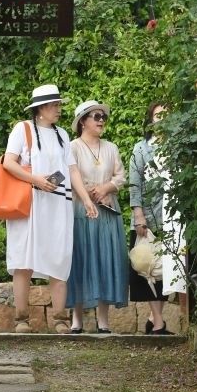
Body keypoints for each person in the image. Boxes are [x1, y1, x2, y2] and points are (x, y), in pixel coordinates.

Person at [2, 84, 98, 334]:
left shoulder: (62, 134)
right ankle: (21, 319)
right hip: (30, 204)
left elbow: (71, 169)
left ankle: (59, 319)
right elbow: (9, 162)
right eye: (55, 105)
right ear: (41, 108)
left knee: (59, 257)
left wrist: (86, 199)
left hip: (58, 205)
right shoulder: (22, 129)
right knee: (24, 260)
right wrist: (36, 179)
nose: (59, 109)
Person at [66, 100, 129, 334]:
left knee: (106, 260)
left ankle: (103, 320)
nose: (102, 120)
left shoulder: (111, 147)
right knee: (81, 259)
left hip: (107, 210)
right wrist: (89, 193)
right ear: (82, 121)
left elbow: (120, 176)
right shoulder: (72, 147)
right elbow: (69, 177)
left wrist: (105, 188)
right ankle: (76, 318)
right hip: (80, 210)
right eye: (96, 116)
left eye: (104, 117)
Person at [129, 102, 185, 335]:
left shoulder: (178, 146)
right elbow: (135, 184)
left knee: (169, 270)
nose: (163, 119)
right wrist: (138, 214)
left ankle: (154, 318)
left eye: (167, 115)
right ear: (150, 120)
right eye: (158, 115)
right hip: (148, 217)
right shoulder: (141, 149)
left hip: (173, 218)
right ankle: (159, 323)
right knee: (150, 269)